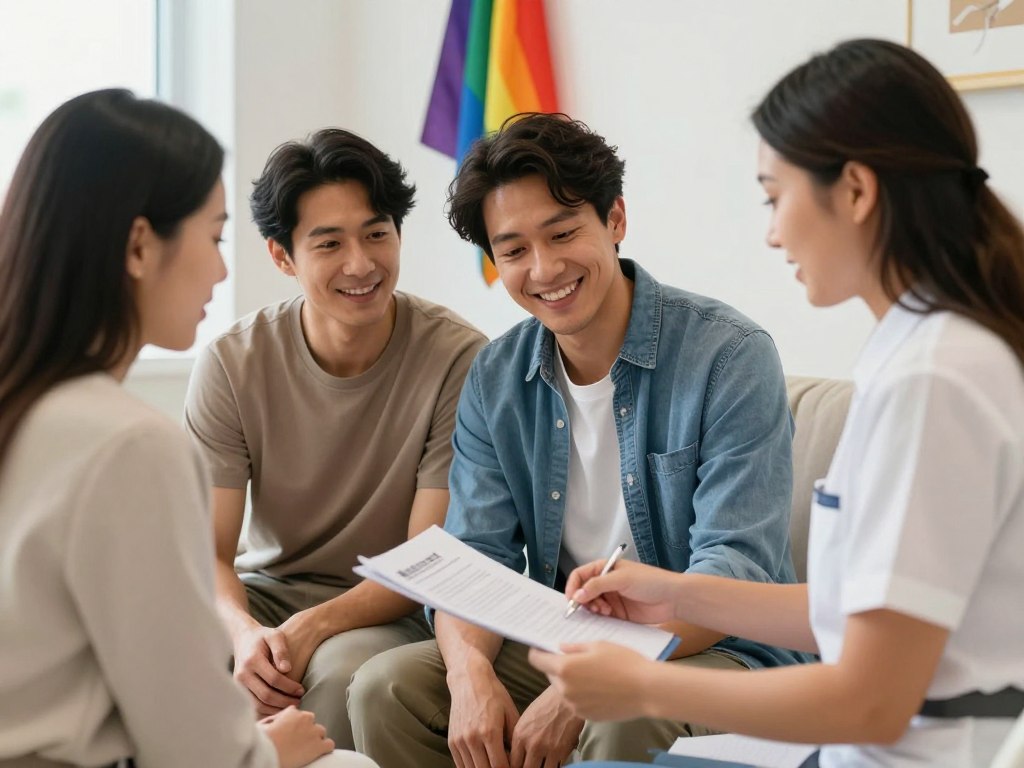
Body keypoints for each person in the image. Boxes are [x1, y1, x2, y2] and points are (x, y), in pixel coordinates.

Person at [529, 38, 1024, 768]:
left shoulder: (936, 381)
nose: (770, 233)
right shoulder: (919, 350)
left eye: (774, 196)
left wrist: (644, 687)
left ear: (855, 191)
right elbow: (849, 611)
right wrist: (675, 594)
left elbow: (871, 699)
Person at [349, 113, 807, 768]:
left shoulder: (729, 357)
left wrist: (581, 691)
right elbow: (475, 560)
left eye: (563, 233)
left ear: (614, 219)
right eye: (513, 251)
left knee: (624, 714)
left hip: (721, 650)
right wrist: (469, 675)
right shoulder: (496, 376)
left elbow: (735, 568)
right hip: (566, 639)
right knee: (387, 688)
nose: (544, 268)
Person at [0, 90, 379, 767]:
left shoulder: (29, 407)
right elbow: (193, 748)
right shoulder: (130, 445)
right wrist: (270, 752)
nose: (222, 269)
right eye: (214, 236)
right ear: (140, 246)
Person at [183, 128, 487, 749]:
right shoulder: (232, 363)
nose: (361, 264)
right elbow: (209, 552)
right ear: (282, 256)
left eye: (377, 234)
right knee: (166, 644)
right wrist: (244, 633)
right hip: (266, 593)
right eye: (329, 243)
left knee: (335, 673)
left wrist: (313, 626)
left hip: (393, 606)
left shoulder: (457, 358)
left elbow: (427, 556)